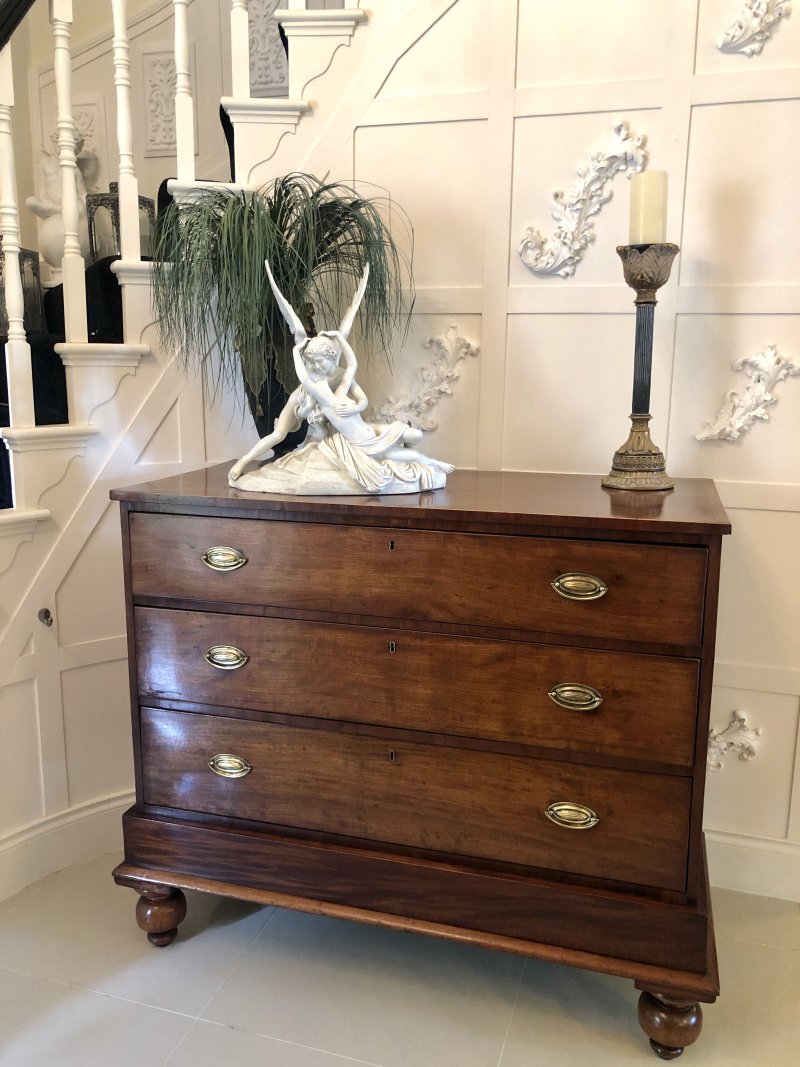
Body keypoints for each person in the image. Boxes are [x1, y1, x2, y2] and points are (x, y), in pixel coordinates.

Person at [228, 261, 453, 494]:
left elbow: (354, 373)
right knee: (280, 433)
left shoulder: (342, 377)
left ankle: (422, 465)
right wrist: (242, 462)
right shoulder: (309, 389)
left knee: (409, 441)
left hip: (357, 436)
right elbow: (286, 419)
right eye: (312, 361)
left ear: (333, 356)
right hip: (328, 428)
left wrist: (356, 406)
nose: (316, 365)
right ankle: (246, 462)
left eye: (320, 361)